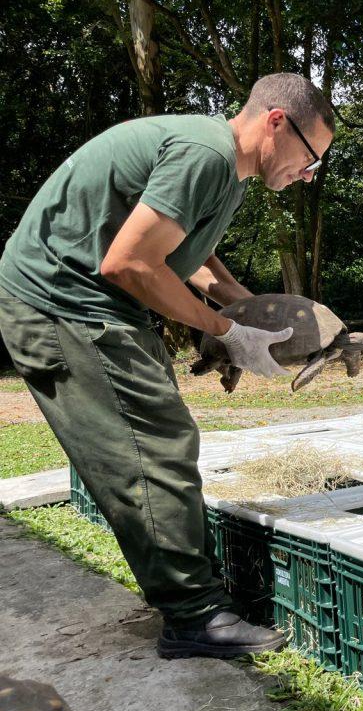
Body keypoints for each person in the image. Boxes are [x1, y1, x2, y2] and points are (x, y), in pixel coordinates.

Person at [0, 72, 334, 658]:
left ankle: (195, 592)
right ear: (276, 122)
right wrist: (226, 331)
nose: (308, 174)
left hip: (88, 299)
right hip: (62, 300)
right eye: (311, 157)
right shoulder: (206, 156)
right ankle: (193, 616)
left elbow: (188, 250)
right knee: (151, 444)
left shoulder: (226, 171)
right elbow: (129, 263)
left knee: (161, 431)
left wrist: (247, 311)